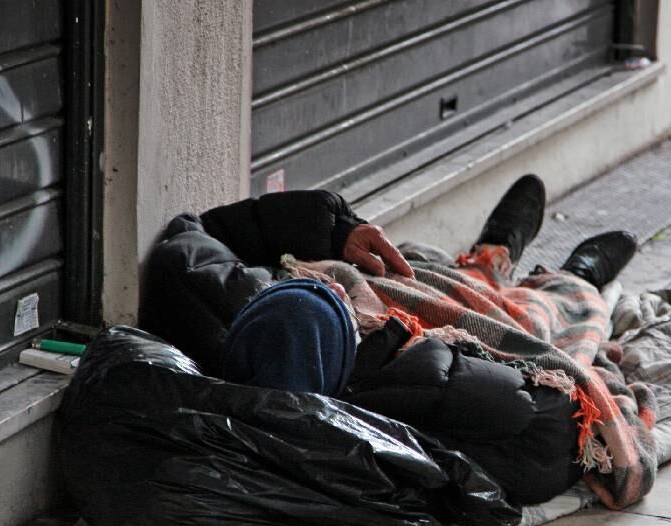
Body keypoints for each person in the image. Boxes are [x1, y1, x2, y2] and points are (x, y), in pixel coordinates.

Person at [139, 176, 642, 506]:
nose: (335, 285)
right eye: (333, 296)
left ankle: (494, 253)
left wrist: (335, 230)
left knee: (429, 269)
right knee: (545, 313)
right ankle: (576, 275)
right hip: (425, 330)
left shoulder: (218, 308)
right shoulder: (398, 382)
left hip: (392, 294)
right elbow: (550, 427)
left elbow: (196, 230)